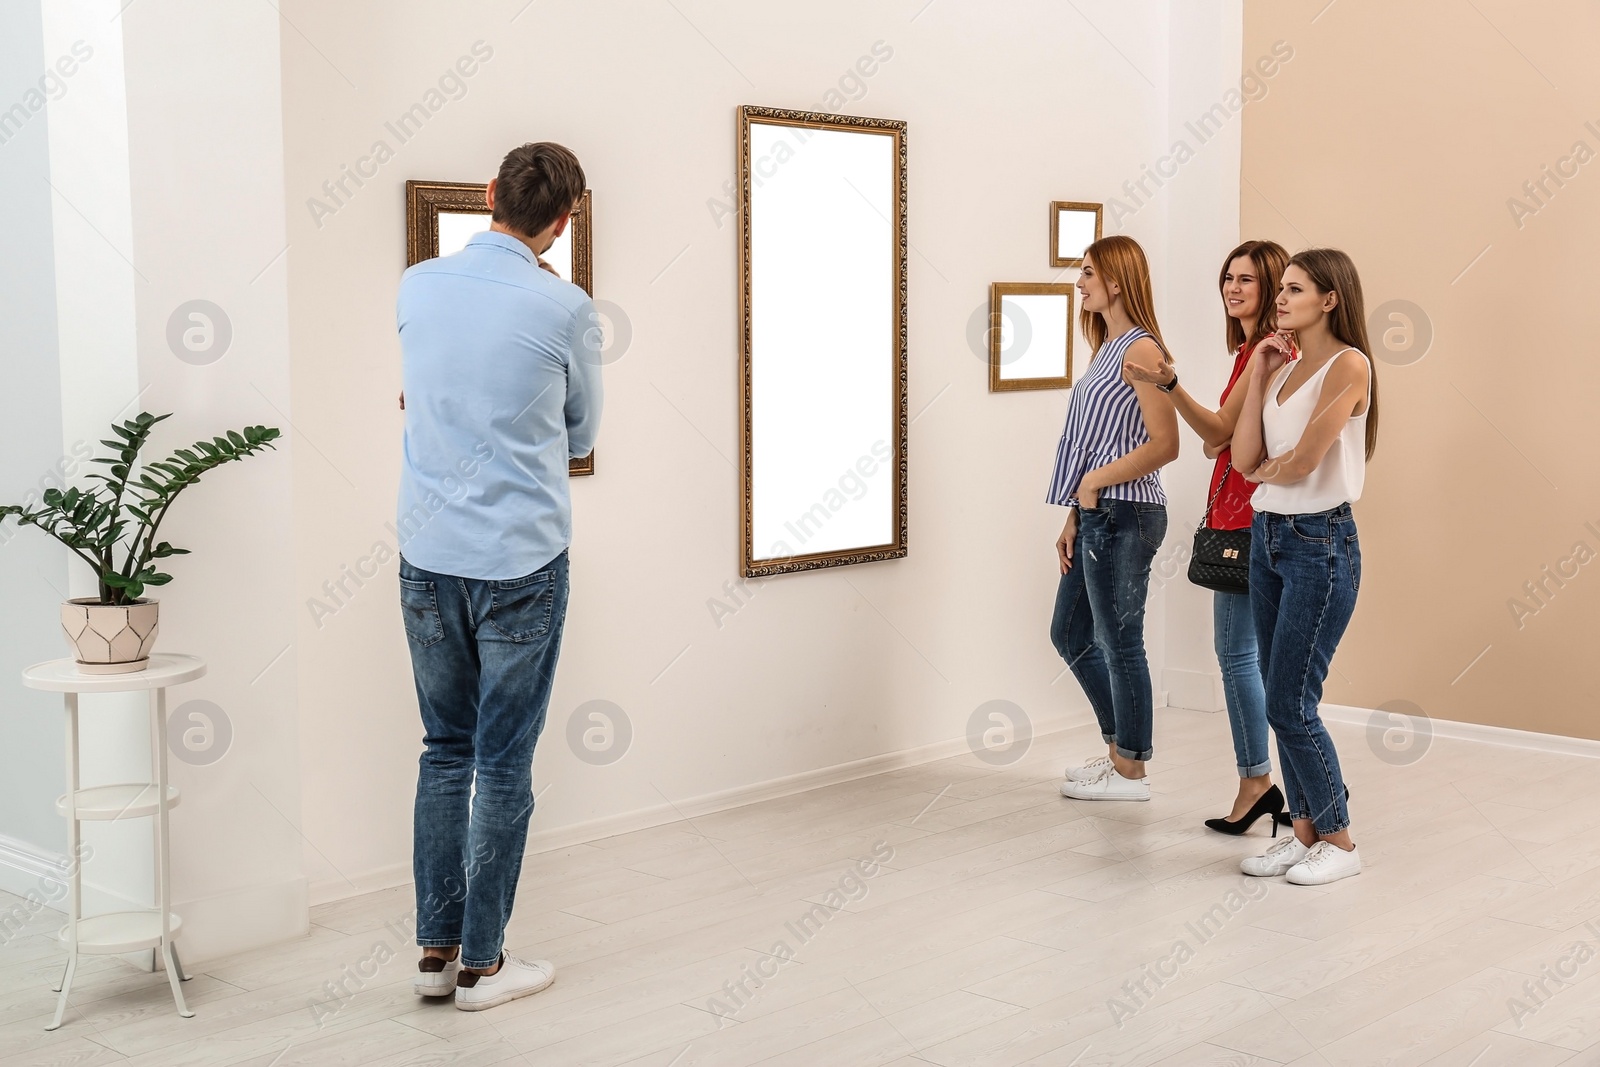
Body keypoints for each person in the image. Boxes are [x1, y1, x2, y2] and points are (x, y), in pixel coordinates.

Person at [395, 141, 602, 1008]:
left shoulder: (417, 285)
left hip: (427, 556)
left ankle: (438, 953)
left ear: (489, 196)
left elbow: (426, 391)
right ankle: (486, 962)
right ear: (562, 222)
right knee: (503, 759)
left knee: (445, 750)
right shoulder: (566, 307)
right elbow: (583, 433)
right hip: (519, 562)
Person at [1124, 240, 1294, 835]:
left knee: (1239, 655)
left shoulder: (1266, 353)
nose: (1233, 287)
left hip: (1248, 518)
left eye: (1247, 279)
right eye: (1228, 277)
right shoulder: (1255, 351)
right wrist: (1218, 432)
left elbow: (1219, 432)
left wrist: (1170, 386)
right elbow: (1219, 439)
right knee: (1260, 658)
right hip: (1250, 512)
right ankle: (1271, 785)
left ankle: (1257, 782)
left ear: (1273, 287)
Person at [1228, 248, 1377, 886]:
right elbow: (1243, 457)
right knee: (1278, 696)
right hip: (1269, 538)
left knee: (1291, 699)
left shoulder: (1351, 365)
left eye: (1293, 289)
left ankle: (1339, 842)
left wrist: (1270, 473)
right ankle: (1305, 831)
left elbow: (1309, 458)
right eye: (1280, 288)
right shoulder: (1284, 367)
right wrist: (1260, 371)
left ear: (1329, 299)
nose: (1278, 299)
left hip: (1321, 541)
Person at [1052, 235, 1180, 802]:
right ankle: (1120, 751)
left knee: (1121, 641)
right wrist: (1074, 515)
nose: (1079, 282)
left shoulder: (1143, 352)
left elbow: (1167, 444)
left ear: (1117, 281)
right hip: (1098, 513)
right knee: (1071, 632)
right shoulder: (1106, 346)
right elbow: (1092, 439)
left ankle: (1130, 771)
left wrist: (1095, 484)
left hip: (1128, 510)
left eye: (1087, 272)